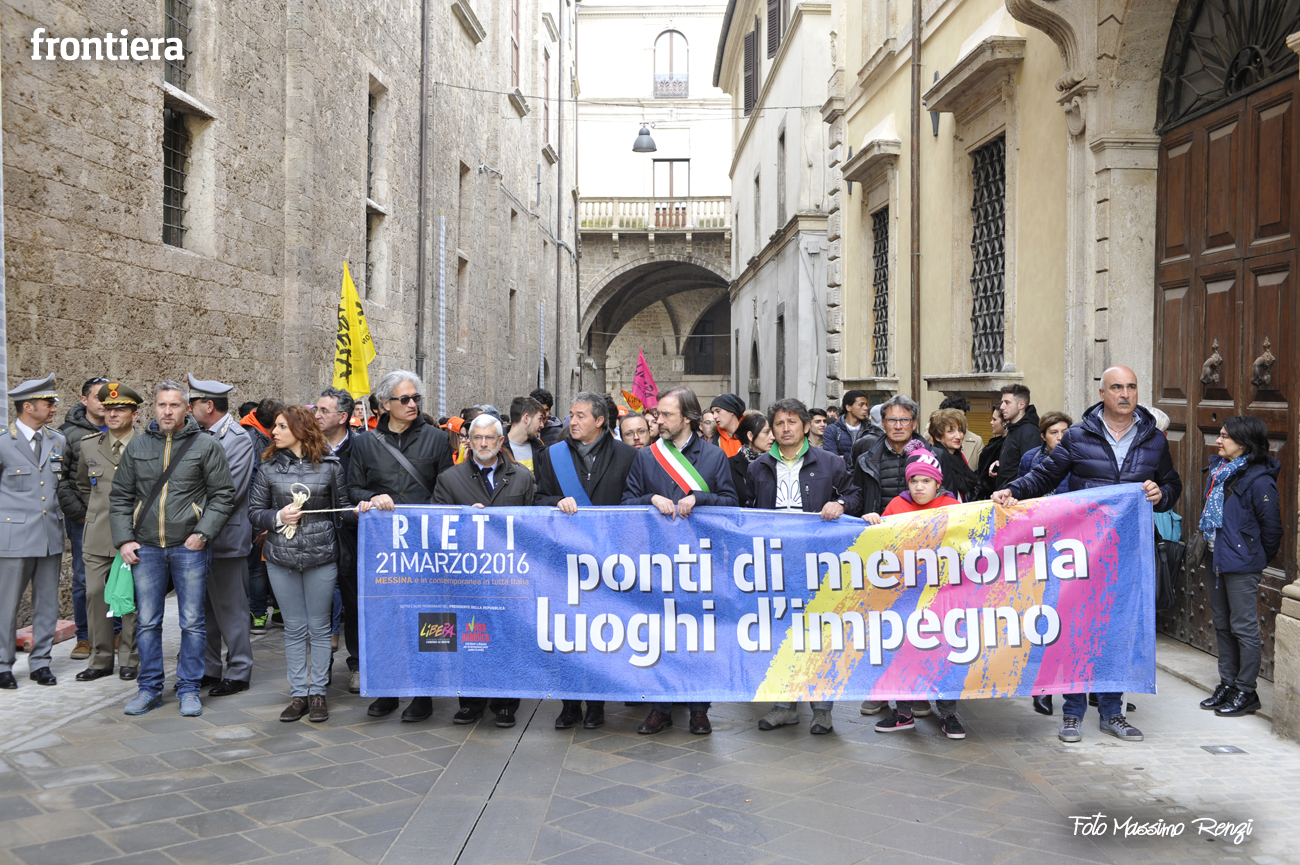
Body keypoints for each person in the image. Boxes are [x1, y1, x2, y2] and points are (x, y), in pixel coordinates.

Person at [995, 365, 1183, 744]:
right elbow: (1045, 476)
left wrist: (1161, 495)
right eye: (1117, 387)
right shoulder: (1079, 436)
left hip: (1128, 552)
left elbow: (1171, 485)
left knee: (1117, 632)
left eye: (1131, 387)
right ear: (1103, 393)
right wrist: (1013, 489)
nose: (1125, 394)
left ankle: (1113, 713)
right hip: (1082, 551)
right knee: (1078, 631)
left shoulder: (1154, 440)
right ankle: (1072, 714)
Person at [110, 380, 236, 717]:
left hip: (189, 546)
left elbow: (224, 494)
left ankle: (189, 688)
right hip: (146, 548)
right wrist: (124, 539)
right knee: (148, 622)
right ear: (154, 408)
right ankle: (149, 688)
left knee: (192, 621)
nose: (168, 411)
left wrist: (204, 532)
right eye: (162, 405)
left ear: (186, 408)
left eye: (175, 405)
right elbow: (121, 496)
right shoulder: (137, 447)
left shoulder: (205, 446)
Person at [623, 386, 737, 735]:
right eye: (658, 414)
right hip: (657, 560)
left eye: (665, 415)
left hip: (701, 560)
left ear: (686, 417)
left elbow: (731, 504)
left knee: (698, 637)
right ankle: (660, 707)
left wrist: (699, 498)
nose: (658, 419)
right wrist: (650, 497)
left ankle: (699, 708)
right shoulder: (646, 457)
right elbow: (626, 503)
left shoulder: (715, 457)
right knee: (659, 634)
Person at [749, 399, 861, 735]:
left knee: (821, 634)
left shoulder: (829, 463)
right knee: (782, 634)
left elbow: (855, 496)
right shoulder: (758, 467)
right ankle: (784, 705)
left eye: (792, 422)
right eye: (779, 424)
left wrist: (839, 503)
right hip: (776, 564)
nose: (785, 429)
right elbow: (745, 511)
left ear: (805, 426)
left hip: (819, 563)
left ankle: (822, 709)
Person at [349, 370, 454, 723]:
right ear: (384, 404)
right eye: (405, 400)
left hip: (425, 545)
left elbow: (446, 490)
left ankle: (424, 693)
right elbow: (352, 490)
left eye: (416, 399)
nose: (413, 405)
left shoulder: (438, 440)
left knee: (426, 617)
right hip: (384, 547)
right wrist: (372, 496)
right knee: (386, 617)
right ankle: (388, 689)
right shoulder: (363, 443)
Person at [534, 392, 637, 730]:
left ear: (599, 420)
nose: (572, 422)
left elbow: (633, 504)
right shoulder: (552, 456)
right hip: (564, 559)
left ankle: (596, 703)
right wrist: (557, 501)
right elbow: (538, 499)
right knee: (567, 632)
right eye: (570, 416)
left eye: (579, 416)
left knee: (600, 634)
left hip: (608, 560)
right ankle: (568, 704)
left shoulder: (628, 456)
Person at [250, 405, 357, 723]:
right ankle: (298, 694)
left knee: (320, 627)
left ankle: (318, 693)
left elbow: (345, 509)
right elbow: (254, 511)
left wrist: (365, 507)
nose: (275, 431)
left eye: (282, 426)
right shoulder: (268, 467)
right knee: (295, 629)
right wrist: (277, 516)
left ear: (300, 429)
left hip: (321, 557)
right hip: (280, 558)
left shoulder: (330, 467)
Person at [433, 413, 535, 727]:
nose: (483, 443)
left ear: (501, 442)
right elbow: (436, 526)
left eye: (489, 438)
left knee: (507, 638)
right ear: (469, 441)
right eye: (477, 437)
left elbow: (533, 528)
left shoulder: (522, 478)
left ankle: (505, 704)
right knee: (469, 638)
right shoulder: (449, 479)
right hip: (467, 576)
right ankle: (471, 702)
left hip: (509, 575)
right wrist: (462, 519)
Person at [863, 440, 966, 738]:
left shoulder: (953, 507)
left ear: (938, 483)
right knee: (905, 653)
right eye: (914, 480)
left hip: (943, 595)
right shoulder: (896, 505)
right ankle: (903, 713)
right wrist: (873, 521)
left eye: (926, 481)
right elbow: (883, 542)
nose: (919, 486)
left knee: (944, 653)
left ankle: (949, 715)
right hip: (905, 594)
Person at [1197, 417, 1282, 718]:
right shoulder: (1218, 472)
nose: (1218, 441)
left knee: (1243, 627)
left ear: (1243, 444)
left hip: (1241, 564)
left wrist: (1250, 557)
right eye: (1219, 435)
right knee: (1222, 623)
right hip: (1215, 559)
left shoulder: (1259, 480)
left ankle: (1247, 690)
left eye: (1224, 437)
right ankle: (1228, 683)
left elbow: (1272, 531)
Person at [851, 394, 926, 716]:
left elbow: (949, 496)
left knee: (920, 624)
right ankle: (880, 688)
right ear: (883, 423)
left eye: (904, 420)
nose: (898, 426)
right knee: (879, 624)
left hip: (922, 552)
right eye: (892, 420)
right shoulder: (864, 452)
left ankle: (919, 691)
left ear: (914, 423)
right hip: (879, 552)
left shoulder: (931, 454)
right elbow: (856, 494)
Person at [188, 375, 257, 698]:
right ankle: (210, 667)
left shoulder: (237, 439)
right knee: (205, 608)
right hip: (197, 536)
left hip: (225, 537)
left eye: (192, 404)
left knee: (231, 608)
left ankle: (240, 669)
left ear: (209, 406)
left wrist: (187, 511)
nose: (188, 410)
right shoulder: (199, 435)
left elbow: (228, 492)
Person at [0, 376, 68, 690]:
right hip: (13, 537)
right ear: (28, 407)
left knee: (48, 604)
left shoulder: (57, 441)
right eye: (48, 403)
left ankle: (41, 662)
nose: (54, 407)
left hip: (49, 534)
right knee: (7, 603)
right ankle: (3, 664)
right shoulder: (3, 441)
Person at [72, 382, 142, 682]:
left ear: (134, 414)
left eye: (120, 409)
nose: (113, 414)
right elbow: (83, 486)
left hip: (136, 535)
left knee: (131, 599)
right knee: (96, 595)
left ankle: (129, 657)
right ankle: (101, 659)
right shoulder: (88, 445)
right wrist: (97, 514)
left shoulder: (145, 445)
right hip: (98, 534)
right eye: (109, 408)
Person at [58, 376, 109, 661]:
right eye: (98, 397)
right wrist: (78, 513)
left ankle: (114, 632)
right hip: (84, 519)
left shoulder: (123, 429)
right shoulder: (67, 434)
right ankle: (85, 636)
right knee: (83, 578)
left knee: (116, 576)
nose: (104, 403)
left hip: (115, 517)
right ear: (84, 401)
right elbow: (61, 479)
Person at [316, 386, 361, 693]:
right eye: (315, 410)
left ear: (343, 417)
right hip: (316, 539)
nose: (316, 415)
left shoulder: (362, 448)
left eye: (323, 410)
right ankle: (320, 669)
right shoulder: (308, 449)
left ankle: (357, 664)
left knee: (355, 604)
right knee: (318, 607)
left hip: (352, 539)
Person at [927, 408, 979, 502]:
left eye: (960, 430)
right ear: (938, 436)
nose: (958, 436)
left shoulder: (958, 456)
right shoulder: (934, 459)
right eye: (951, 431)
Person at [994, 384, 1039, 490]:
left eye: (1007, 403)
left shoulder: (1029, 432)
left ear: (1021, 405)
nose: (1002, 407)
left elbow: (1031, 473)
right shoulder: (1014, 428)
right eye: (1002, 402)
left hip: (1016, 499)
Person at [1018, 411, 1072, 498]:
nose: (1060, 437)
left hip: (1067, 509)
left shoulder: (1077, 456)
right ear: (1043, 436)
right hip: (1037, 509)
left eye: (1064, 432)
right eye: (1054, 432)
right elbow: (1022, 490)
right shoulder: (1030, 457)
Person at [728, 411, 773, 505]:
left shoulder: (774, 464)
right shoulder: (729, 465)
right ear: (750, 436)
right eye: (766, 432)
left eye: (772, 432)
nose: (772, 437)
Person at [823, 389, 871, 460]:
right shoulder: (832, 430)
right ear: (848, 407)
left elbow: (874, 458)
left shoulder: (871, 430)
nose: (866, 408)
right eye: (861, 405)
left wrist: (844, 457)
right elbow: (832, 460)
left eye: (866, 405)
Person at [938, 396, 984, 466]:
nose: (961, 420)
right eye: (955, 417)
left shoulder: (976, 440)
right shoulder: (933, 440)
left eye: (963, 416)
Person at [506, 396, 546, 473]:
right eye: (539, 419)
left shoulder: (539, 449)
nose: (542, 425)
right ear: (526, 418)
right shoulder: (499, 450)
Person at [975, 409, 1006, 499]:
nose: (991, 422)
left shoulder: (1005, 445)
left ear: (1004, 422)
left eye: (994, 419)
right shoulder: (993, 442)